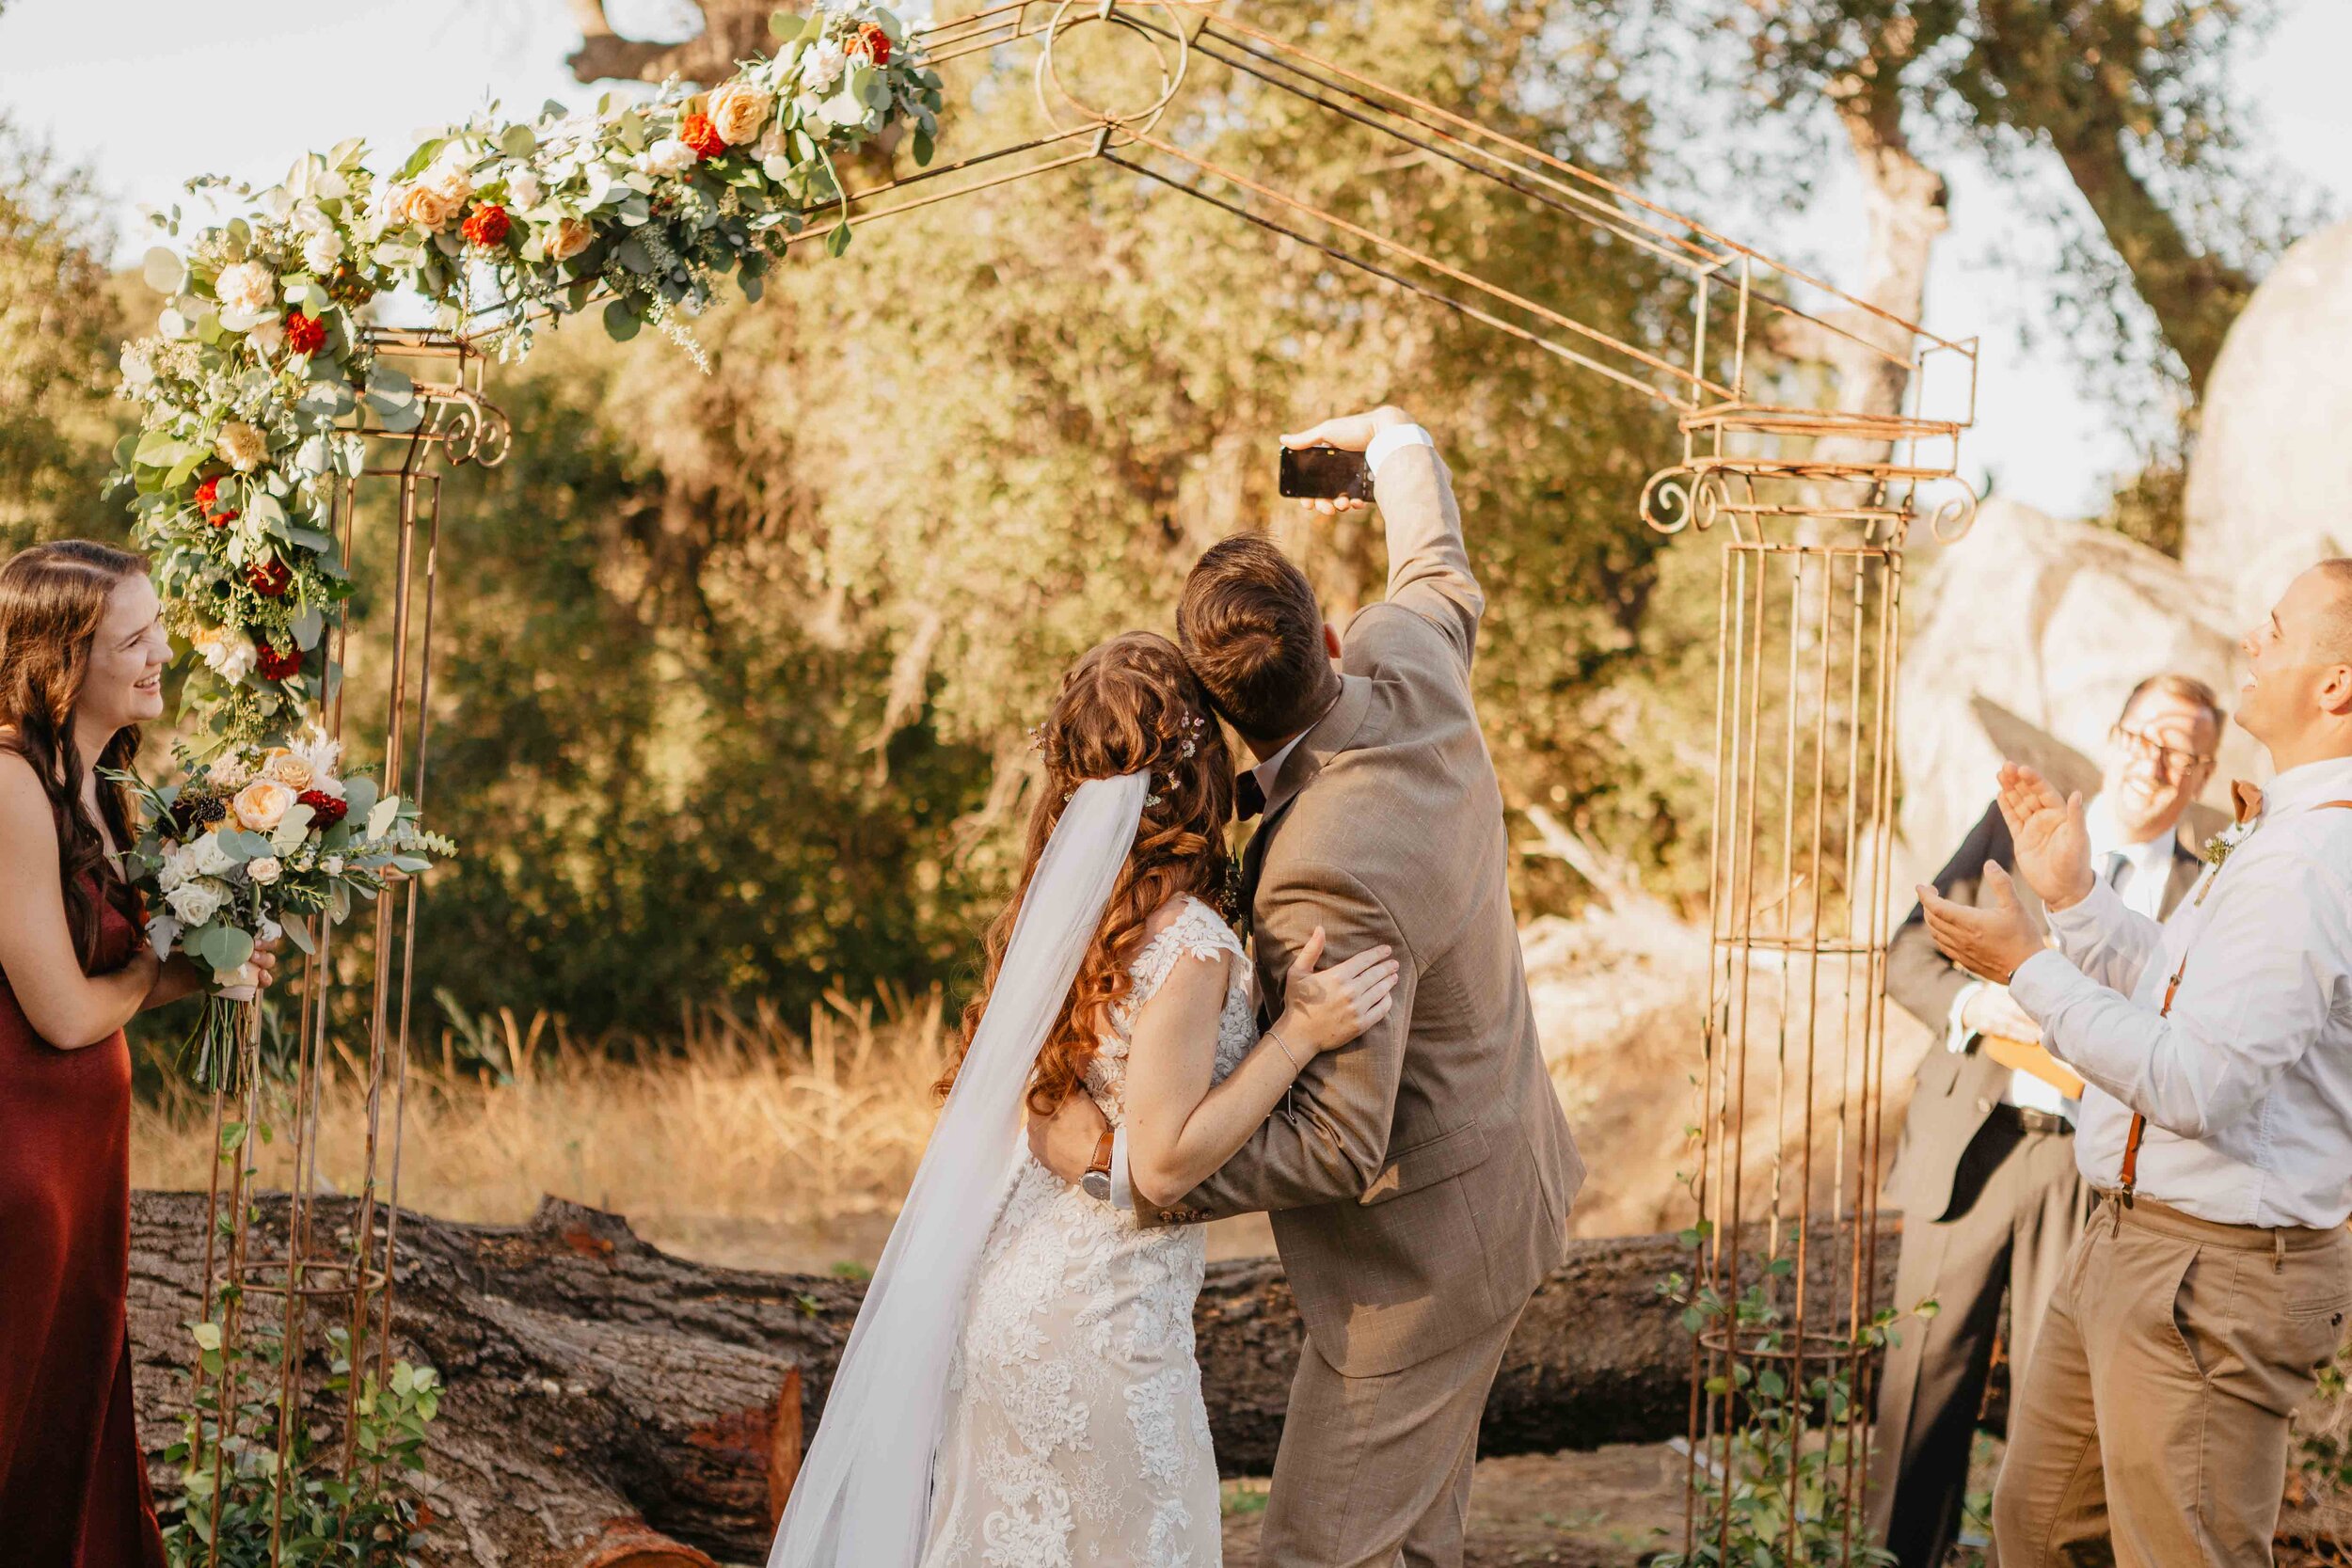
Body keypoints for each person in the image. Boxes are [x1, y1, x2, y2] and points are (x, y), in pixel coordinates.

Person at [1030, 406, 1583, 1567]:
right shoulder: (1413, 661)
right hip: (1513, 1175)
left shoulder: (1316, 876)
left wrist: (1143, 1169)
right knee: (1413, 1545)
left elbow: (1338, 1144)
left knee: (1319, 1551)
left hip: (1424, 1258)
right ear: (1330, 639)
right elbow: (1438, 563)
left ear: (1220, 719)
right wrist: (1393, 443)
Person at [768, 631, 1399, 1568]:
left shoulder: (1068, 910)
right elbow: (1167, 1160)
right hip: (1101, 1325)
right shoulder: (1188, 943)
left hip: (1007, 1302)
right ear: (1197, 771)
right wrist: (1296, 1036)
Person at [1920, 561, 2352, 1566]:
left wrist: (2026, 966)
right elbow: (2169, 990)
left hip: (2209, 1276)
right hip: (2127, 1242)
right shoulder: (2280, 834)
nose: (2251, 639)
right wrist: (2073, 903)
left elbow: (2193, 1083)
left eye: (2276, 628)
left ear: (2337, 683)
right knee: (2038, 1532)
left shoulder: (2312, 860)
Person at [1872, 674, 2221, 1567]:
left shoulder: (2206, 887)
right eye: (2145, 737)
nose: (2156, 762)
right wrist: (1988, 1006)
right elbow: (1911, 952)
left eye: (2182, 752)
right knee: (1920, 1393)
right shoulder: (2009, 830)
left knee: (2051, 1422)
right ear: (2113, 736)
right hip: (1973, 1144)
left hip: (2094, 1174)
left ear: (2202, 775)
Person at [0, 541, 273, 1567]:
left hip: (83, 1152)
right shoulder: (11, 788)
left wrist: (230, 928)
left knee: (71, 1402)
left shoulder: (104, 783)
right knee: (17, 1403)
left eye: (157, 625)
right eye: (135, 637)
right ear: (66, 662)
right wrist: (183, 977)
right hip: (19, 1160)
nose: (162, 651)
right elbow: (65, 1013)